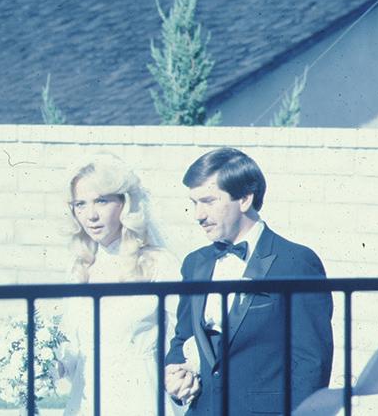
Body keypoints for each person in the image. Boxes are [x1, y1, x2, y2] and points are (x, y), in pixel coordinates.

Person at [165, 147, 333, 415]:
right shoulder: (195, 263)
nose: (198, 215)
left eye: (208, 201)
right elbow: (182, 338)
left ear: (244, 199)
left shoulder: (295, 262)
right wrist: (176, 376)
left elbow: (312, 363)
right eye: (194, 203)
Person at [56, 152, 184, 416]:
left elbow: (182, 336)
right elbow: (71, 348)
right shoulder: (80, 267)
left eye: (101, 201)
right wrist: (44, 364)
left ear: (125, 203)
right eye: (80, 204)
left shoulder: (158, 263)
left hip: (140, 396)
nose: (91, 215)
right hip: (88, 398)